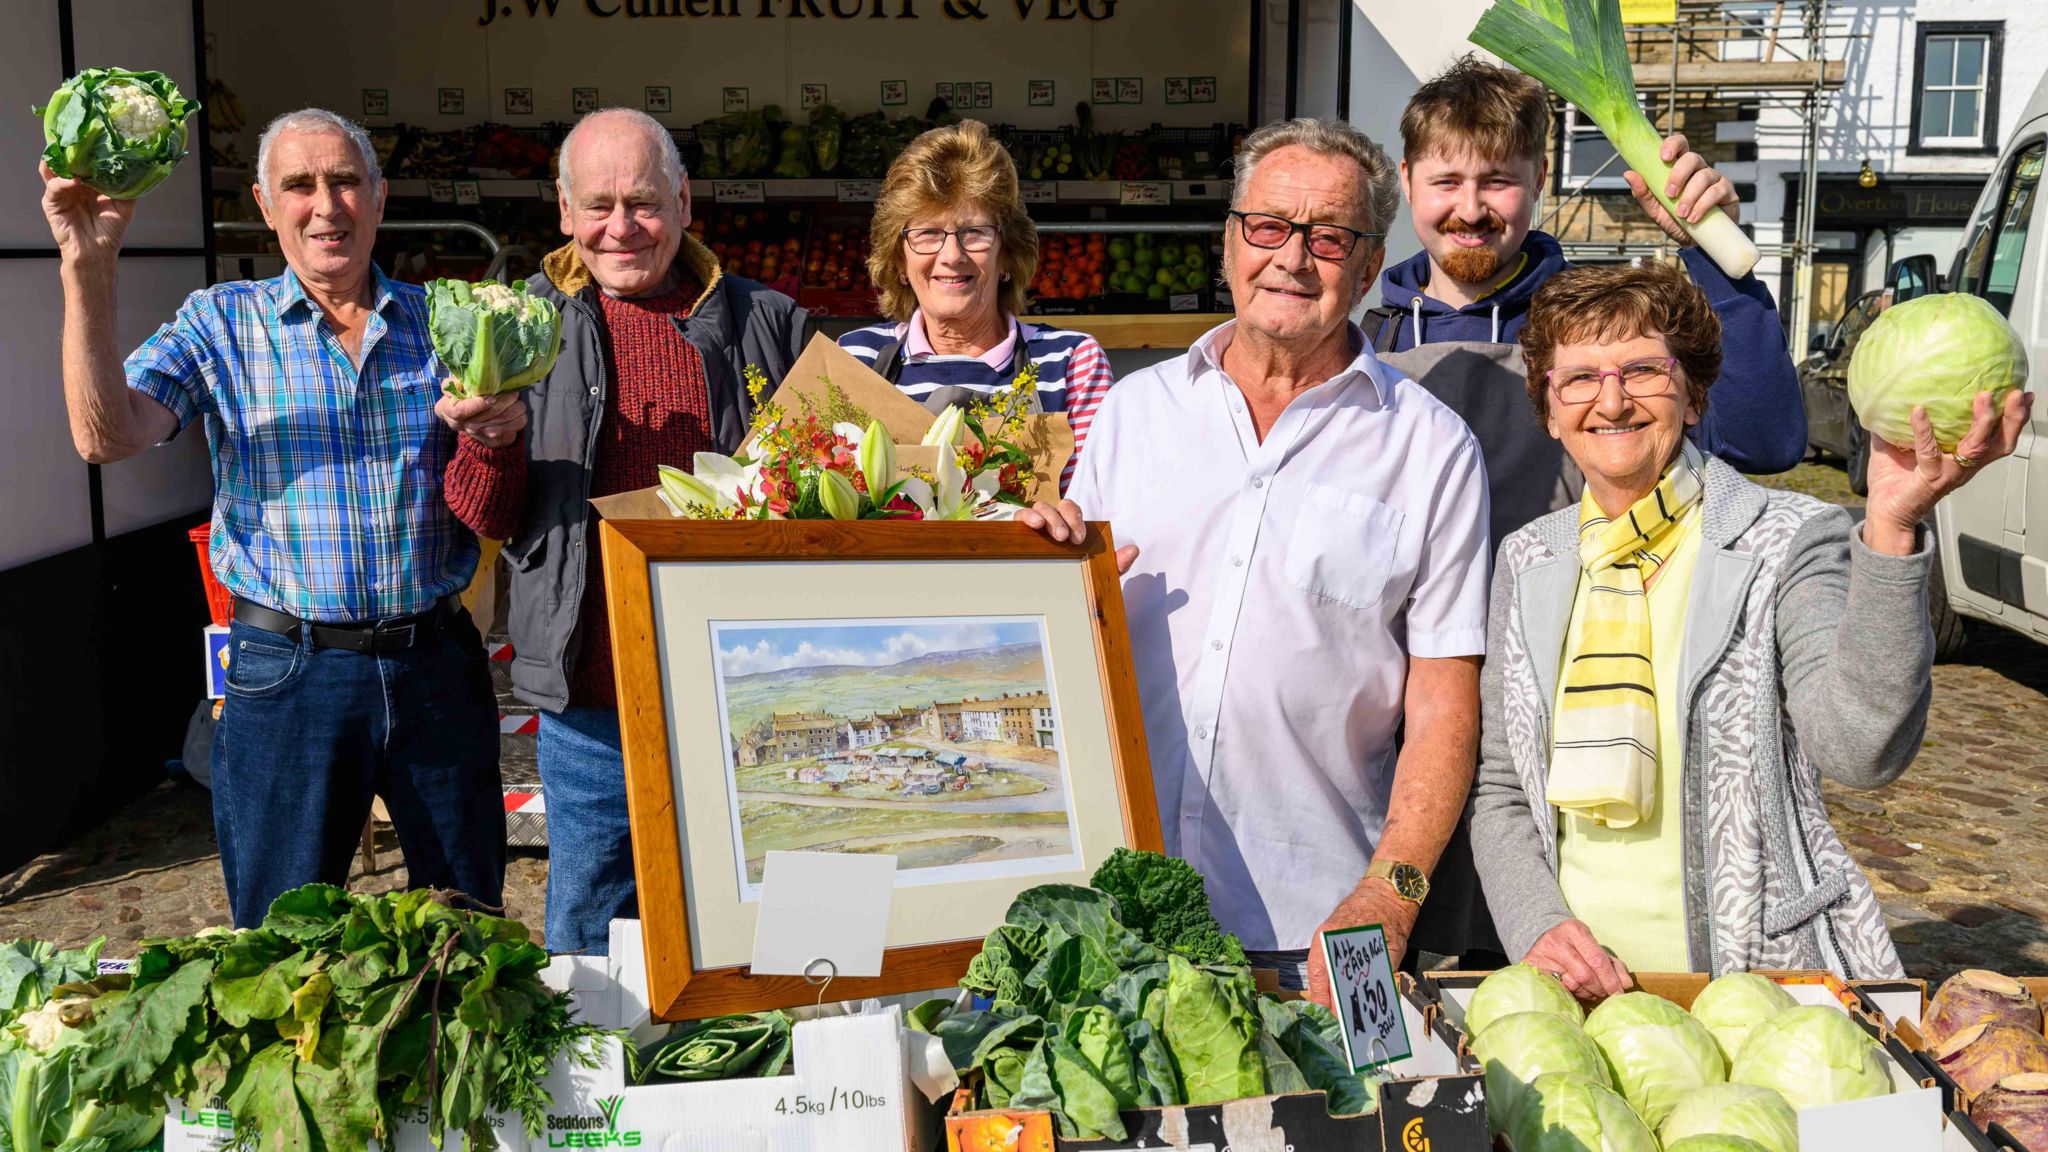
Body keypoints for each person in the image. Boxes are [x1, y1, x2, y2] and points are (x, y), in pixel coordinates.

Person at [1024, 118, 1492, 1009]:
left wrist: (1389, 899)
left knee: (1348, 1137)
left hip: (1324, 922)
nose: (1292, 257)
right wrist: (1037, 575)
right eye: (1269, 226)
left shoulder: (1432, 448)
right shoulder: (1133, 415)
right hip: (1119, 910)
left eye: (1329, 237)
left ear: (1367, 264)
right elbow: (1073, 635)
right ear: (1230, 241)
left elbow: (1442, 704)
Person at [1469, 261, 2029, 987]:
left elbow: (1860, 750)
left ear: (1695, 396)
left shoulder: (1787, 538)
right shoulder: (1530, 558)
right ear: (1548, 408)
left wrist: (1891, 525)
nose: (1611, 401)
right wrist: (1538, 927)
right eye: (1578, 378)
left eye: (1643, 370)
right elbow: (1502, 787)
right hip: (1577, 986)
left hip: (1754, 988)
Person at [1369, 56, 1809, 966]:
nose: (1471, 205)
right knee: (1409, 952)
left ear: (1540, 180)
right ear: (1407, 181)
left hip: (1564, 722)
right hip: (1398, 720)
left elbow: (1766, 436)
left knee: (1546, 966)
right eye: (1445, 179)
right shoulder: (1365, 340)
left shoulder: (1595, 329)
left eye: (1498, 179)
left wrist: (1711, 252)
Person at [42, 108, 506, 927]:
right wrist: (89, 266)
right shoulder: (220, 323)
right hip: (285, 672)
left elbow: (498, 474)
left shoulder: (446, 325)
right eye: (300, 185)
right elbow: (104, 435)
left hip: (434, 663)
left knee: (462, 928)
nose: (325, 206)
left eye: (345, 181)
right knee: (284, 942)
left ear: (379, 196)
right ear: (265, 203)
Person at [438, 107, 808, 956]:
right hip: (592, 697)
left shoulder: (770, 323)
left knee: (772, 931)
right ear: (563, 210)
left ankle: (792, 1085)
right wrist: (490, 443)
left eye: (642, 202)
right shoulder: (515, 325)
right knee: (595, 938)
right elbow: (484, 517)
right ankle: (605, 1093)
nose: (620, 227)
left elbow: (831, 498)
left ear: (683, 200)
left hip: (749, 698)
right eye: (597, 205)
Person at [839, 120, 1113, 490]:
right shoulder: (857, 358)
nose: (952, 255)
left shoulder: (1071, 363)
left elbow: (1098, 505)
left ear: (1006, 257)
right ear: (900, 260)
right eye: (927, 233)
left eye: (975, 233)